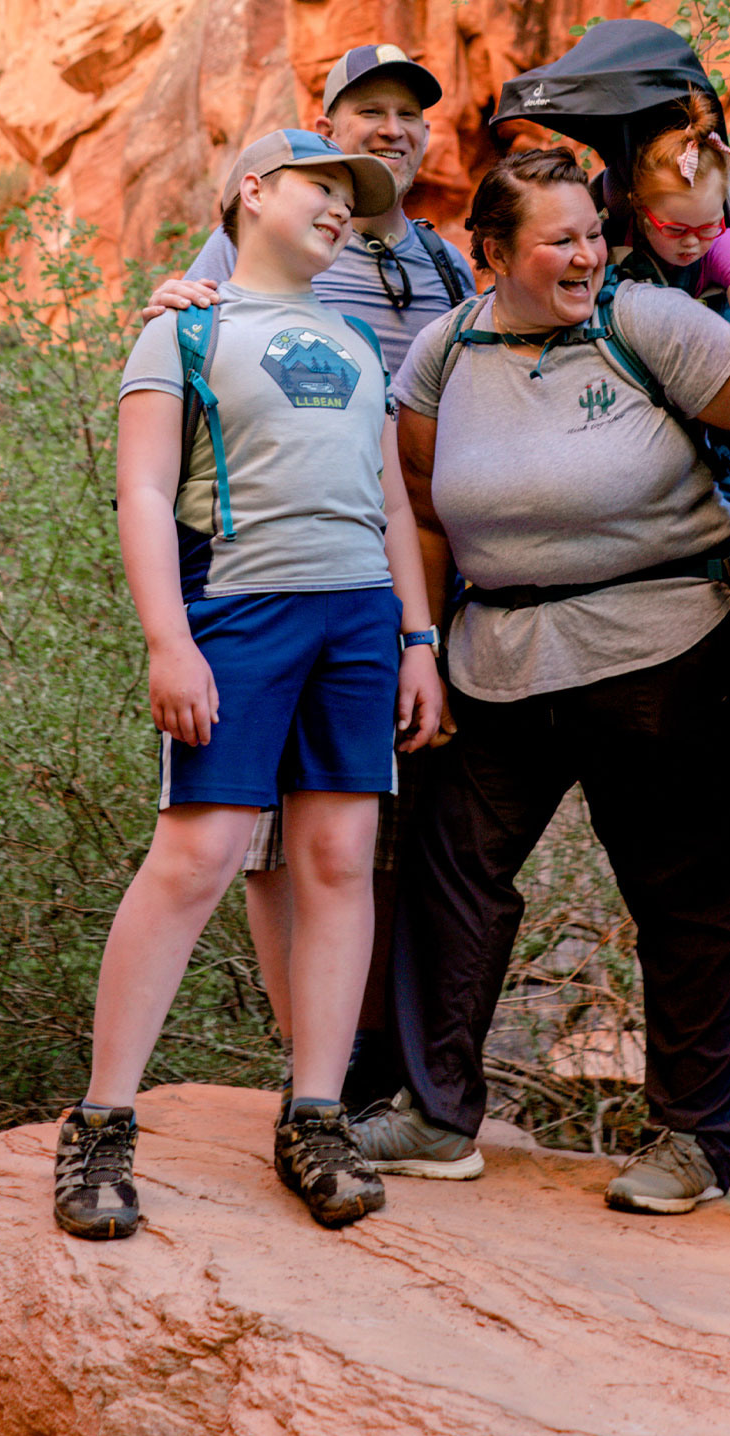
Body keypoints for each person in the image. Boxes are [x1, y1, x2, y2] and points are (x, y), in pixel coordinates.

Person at [352, 147, 730, 1213]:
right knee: (450, 871)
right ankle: (436, 1116)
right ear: (494, 251)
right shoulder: (444, 353)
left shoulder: (648, 326)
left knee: (693, 892)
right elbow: (426, 510)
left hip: (664, 643)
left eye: (593, 233)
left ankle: (698, 1140)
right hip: (497, 653)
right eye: (560, 238)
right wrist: (419, 643)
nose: (586, 254)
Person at [52, 129, 444, 1236]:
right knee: (200, 855)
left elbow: (391, 505)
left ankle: (314, 1118)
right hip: (238, 611)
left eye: (353, 200)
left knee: (337, 859)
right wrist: (166, 641)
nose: (341, 209)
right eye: (323, 188)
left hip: (359, 619)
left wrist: (418, 639)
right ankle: (99, 1129)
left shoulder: (360, 342)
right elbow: (138, 496)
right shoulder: (182, 331)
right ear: (254, 191)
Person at [144, 43, 473, 1113]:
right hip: (268, 564)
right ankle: (311, 1068)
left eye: (407, 116)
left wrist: (421, 628)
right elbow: (198, 323)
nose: (391, 129)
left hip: (406, 576)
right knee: (260, 839)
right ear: (327, 124)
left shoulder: (444, 263)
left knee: (365, 834)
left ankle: (357, 1076)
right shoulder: (280, 231)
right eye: (367, 111)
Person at [604, 92, 730, 329]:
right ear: (640, 208)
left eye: (708, 228)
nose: (692, 242)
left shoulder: (718, 245)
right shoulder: (614, 240)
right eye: (676, 229)